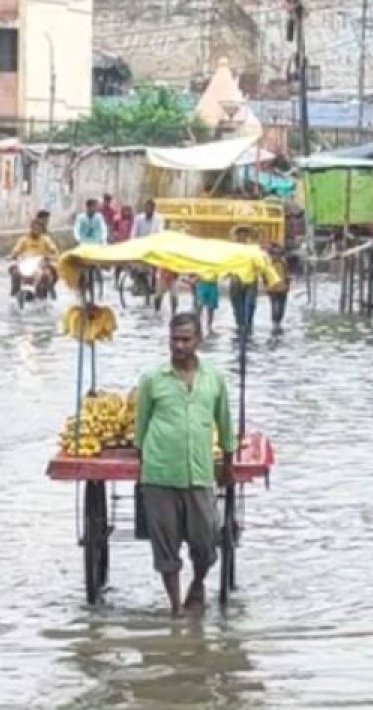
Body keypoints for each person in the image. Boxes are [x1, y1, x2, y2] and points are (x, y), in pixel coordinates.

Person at [135, 312, 234, 617]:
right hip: (161, 472)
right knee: (166, 547)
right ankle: (176, 608)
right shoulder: (153, 379)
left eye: (185, 339)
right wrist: (146, 459)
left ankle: (197, 584)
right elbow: (141, 427)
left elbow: (224, 422)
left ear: (198, 341)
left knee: (205, 545)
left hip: (200, 472)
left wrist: (228, 460)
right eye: (174, 339)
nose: (179, 346)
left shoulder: (213, 378)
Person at [9, 219, 59, 297]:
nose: (36, 231)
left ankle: (46, 291)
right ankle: (15, 293)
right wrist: (13, 255)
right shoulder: (24, 240)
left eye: (38, 229)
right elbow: (16, 250)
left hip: (41, 264)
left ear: (41, 230)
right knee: (15, 273)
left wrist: (49, 256)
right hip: (26, 263)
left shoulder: (46, 240)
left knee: (46, 275)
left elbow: (54, 251)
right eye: (34, 228)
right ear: (30, 228)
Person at [228, 225, 259, 335]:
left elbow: (259, 263)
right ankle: (240, 326)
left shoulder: (253, 249)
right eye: (240, 234)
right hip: (236, 281)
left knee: (249, 306)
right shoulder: (232, 249)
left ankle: (247, 326)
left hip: (250, 281)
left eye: (245, 233)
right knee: (238, 307)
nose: (242, 236)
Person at [268, 244, 290, 335]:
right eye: (274, 254)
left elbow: (287, 275)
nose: (276, 256)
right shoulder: (269, 264)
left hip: (282, 288)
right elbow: (265, 276)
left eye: (278, 254)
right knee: (275, 305)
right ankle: (275, 322)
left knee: (280, 306)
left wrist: (288, 285)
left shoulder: (283, 263)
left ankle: (278, 322)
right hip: (273, 288)